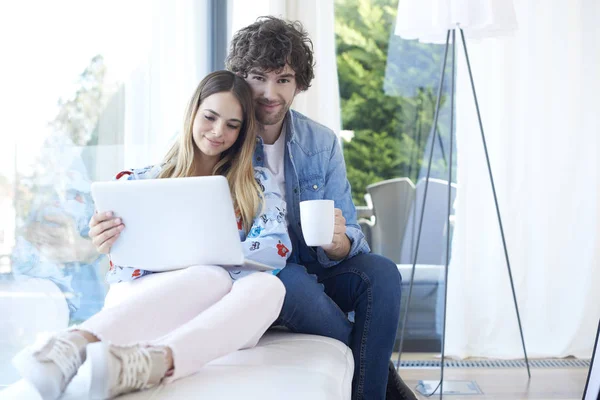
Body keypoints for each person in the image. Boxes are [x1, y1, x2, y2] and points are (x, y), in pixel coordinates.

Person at [12, 70, 291, 400]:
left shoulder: (254, 186)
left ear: (243, 132)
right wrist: (104, 240)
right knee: (209, 277)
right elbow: (117, 261)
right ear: (193, 113)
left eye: (232, 125)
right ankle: (86, 347)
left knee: (269, 285)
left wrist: (225, 255)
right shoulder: (140, 181)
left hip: (216, 314)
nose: (218, 132)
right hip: (144, 300)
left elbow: (278, 248)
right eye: (210, 117)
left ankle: (143, 362)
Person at [226, 17, 416, 400]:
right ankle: (387, 388)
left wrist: (339, 244)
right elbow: (170, 181)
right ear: (240, 77)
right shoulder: (224, 133)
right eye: (258, 78)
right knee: (288, 279)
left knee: (381, 272)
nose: (269, 92)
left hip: (318, 268)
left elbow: (351, 236)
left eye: (283, 80)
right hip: (267, 275)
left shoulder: (321, 142)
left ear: (299, 84)